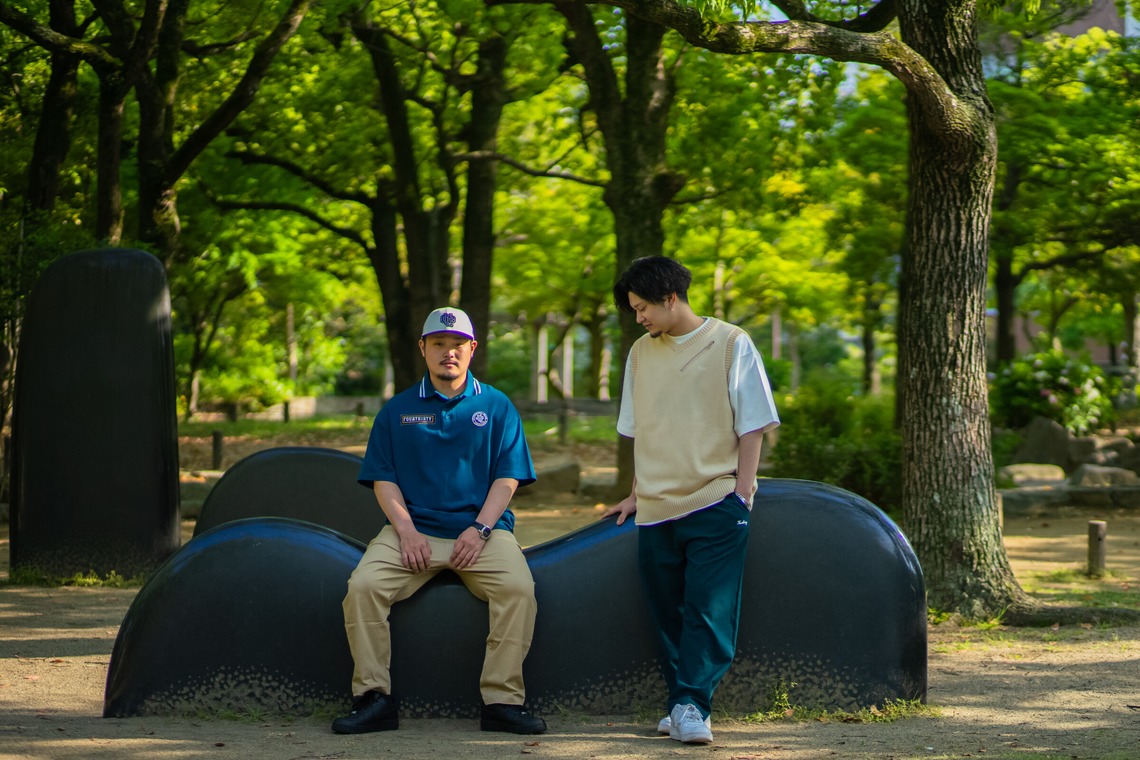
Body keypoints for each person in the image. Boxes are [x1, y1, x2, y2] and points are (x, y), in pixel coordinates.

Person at [332, 307, 546, 735]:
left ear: (472, 349)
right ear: (423, 349)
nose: (448, 353)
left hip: (482, 532)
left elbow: (508, 478)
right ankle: (374, 698)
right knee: (363, 588)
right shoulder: (397, 410)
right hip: (413, 533)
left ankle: (502, 702)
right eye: (439, 344)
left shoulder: (497, 406)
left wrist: (481, 529)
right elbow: (383, 480)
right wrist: (406, 531)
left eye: (457, 345)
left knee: (519, 590)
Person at [606, 256, 780, 744]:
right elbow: (644, 431)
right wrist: (636, 494)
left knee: (708, 610)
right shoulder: (640, 353)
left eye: (643, 307)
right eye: (633, 309)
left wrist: (742, 494)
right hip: (656, 506)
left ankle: (692, 706)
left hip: (715, 499)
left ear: (669, 297)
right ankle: (682, 699)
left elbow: (753, 424)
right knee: (666, 613)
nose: (638, 318)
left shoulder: (730, 343)